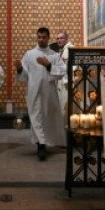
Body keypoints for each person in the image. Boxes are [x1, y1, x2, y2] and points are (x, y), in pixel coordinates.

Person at [16, 27, 66, 160]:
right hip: (34, 92)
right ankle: (40, 145)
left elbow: (62, 71)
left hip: (49, 92)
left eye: (44, 37)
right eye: (39, 37)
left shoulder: (54, 55)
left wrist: (48, 65)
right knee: (36, 118)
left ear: (48, 38)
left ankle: (46, 142)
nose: (41, 40)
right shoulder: (29, 54)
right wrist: (20, 69)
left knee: (47, 118)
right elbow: (24, 75)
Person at [49, 32, 73, 115]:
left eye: (61, 38)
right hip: (60, 82)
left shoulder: (70, 49)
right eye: (58, 38)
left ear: (66, 39)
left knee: (66, 104)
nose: (59, 40)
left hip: (67, 83)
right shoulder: (61, 51)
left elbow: (74, 67)